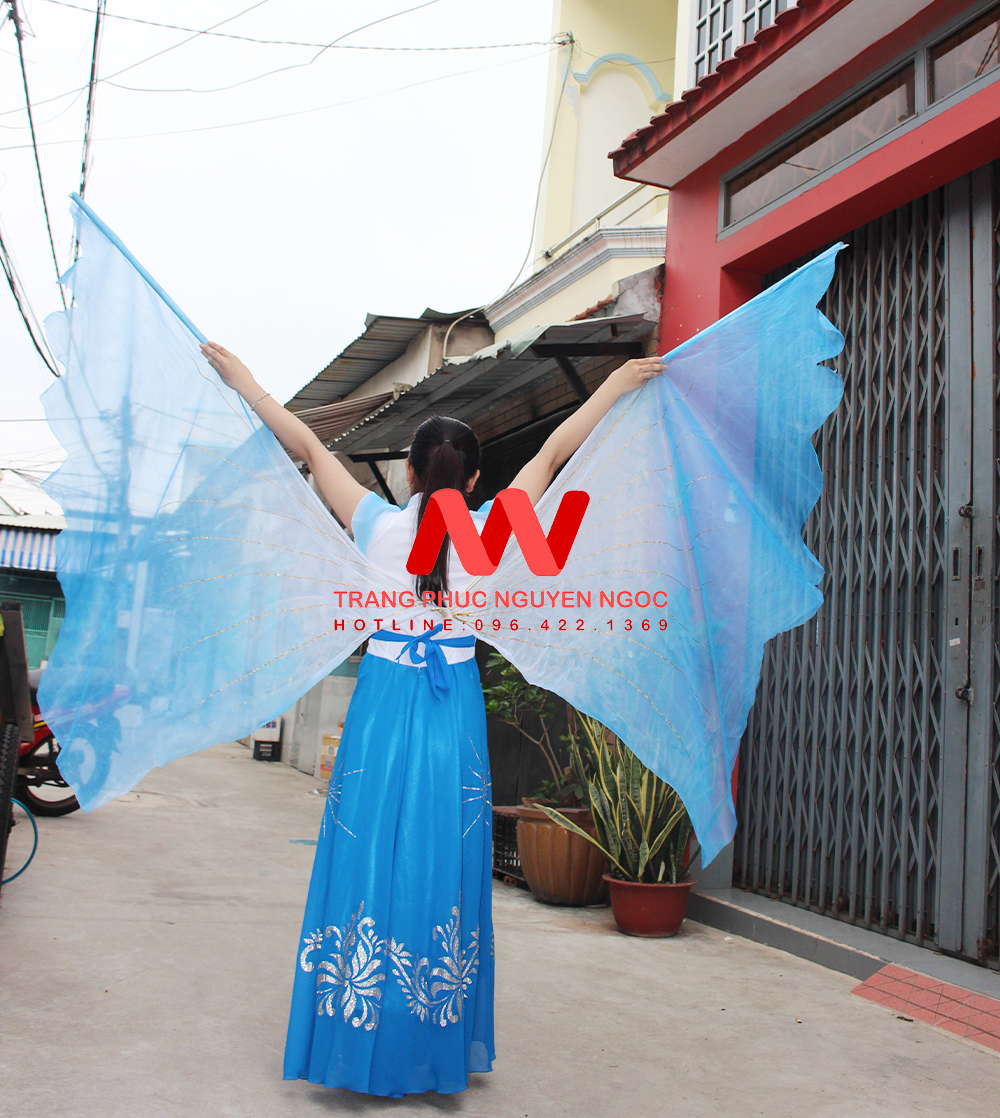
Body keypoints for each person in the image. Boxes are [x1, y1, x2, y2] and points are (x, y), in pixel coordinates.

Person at [200, 341, 664, 1098]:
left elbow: (309, 448)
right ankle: (430, 1041)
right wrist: (614, 384)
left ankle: (354, 1034)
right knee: (441, 859)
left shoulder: (377, 524)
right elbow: (551, 455)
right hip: (454, 712)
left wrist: (243, 380)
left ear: (411, 473)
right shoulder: (496, 532)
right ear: (474, 480)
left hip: (383, 705)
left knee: (368, 852)